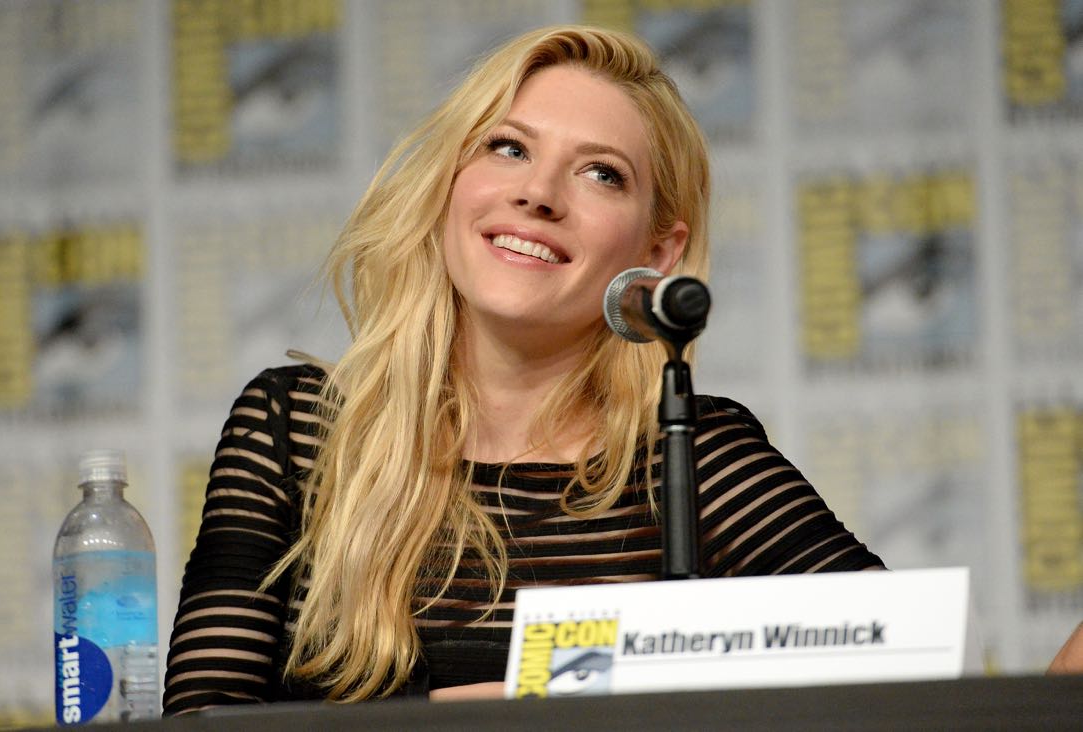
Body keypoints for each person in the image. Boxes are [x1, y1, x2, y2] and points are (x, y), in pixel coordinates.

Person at [163, 24, 887, 714]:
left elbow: (897, 659)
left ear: (659, 255)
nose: (538, 194)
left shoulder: (692, 451)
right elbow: (205, 716)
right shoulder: (295, 430)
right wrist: (471, 712)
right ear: (450, 184)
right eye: (508, 149)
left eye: (602, 174)